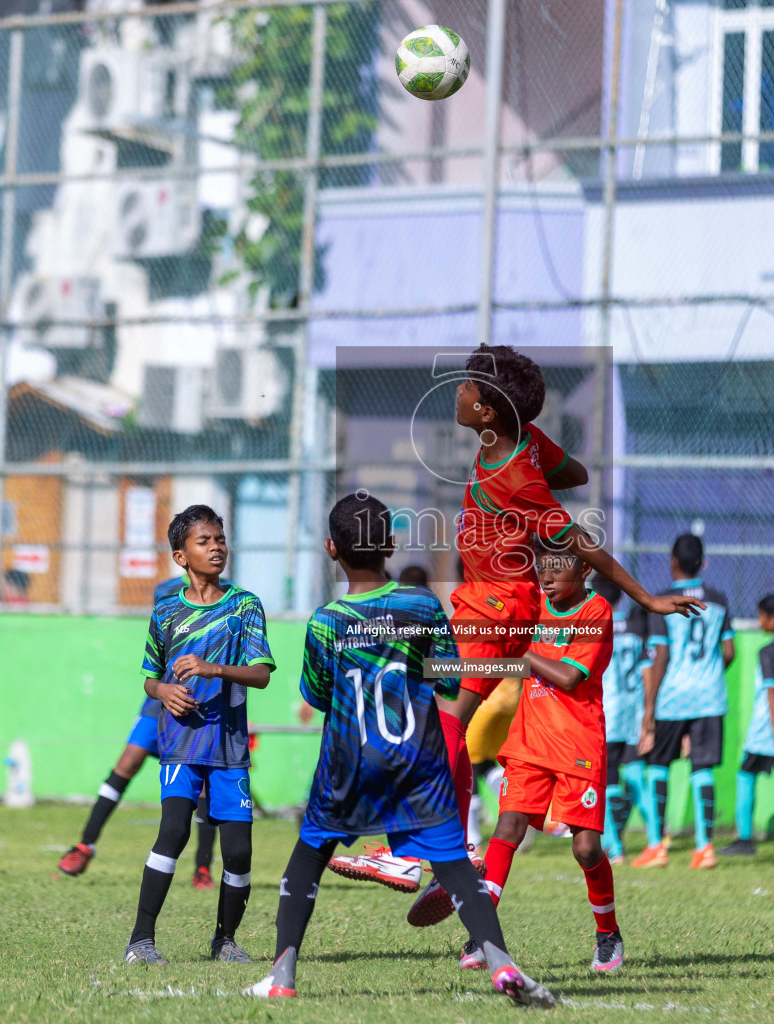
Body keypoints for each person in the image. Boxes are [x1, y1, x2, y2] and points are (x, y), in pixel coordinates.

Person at [352, 344, 700, 925]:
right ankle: (438, 852)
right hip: (501, 607)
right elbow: (579, 473)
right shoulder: (521, 447)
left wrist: (644, 597)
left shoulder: (513, 471)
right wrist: (538, 462)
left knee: (437, 721)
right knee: (438, 716)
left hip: (493, 607)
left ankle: (417, 855)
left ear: (488, 412)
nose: (458, 394)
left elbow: (579, 540)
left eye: (466, 388)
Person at [243, 493, 554, 1007]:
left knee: (307, 859)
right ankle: (500, 963)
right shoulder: (423, 605)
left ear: (330, 549)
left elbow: (318, 694)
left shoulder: (326, 620)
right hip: (417, 761)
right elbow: (447, 679)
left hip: (348, 762)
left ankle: (282, 974)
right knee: (453, 865)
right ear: (390, 544)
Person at [123, 506, 276, 966]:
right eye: (204, 541)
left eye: (220, 539)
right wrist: (163, 690)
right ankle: (140, 942)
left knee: (239, 850)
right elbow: (149, 678)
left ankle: (224, 940)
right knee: (173, 832)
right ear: (180, 555)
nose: (216, 547)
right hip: (181, 744)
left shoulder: (244, 605)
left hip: (229, 748)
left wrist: (213, 669)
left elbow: (261, 674)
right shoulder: (167, 611)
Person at [476, 538, 622, 973]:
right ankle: (480, 935)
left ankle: (607, 933)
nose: (547, 576)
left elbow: (569, 676)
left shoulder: (596, 612)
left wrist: (521, 647)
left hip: (578, 741)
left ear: (585, 571)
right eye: (543, 567)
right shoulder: (535, 603)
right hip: (529, 740)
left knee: (585, 848)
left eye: (559, 567)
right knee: (508, 825)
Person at [58, 574, 221, 889]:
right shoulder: (165, 607)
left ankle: (202, 868)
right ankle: (84, 846)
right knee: (128, 762)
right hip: (159, 702)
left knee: (201, 786)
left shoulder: (220, 604)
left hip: (198, 704)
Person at [635, 534, 735, 870]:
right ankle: (705, 847)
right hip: (710, 696)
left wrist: (649, 708)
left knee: (658, 765)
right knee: (702, 769)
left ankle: (656, 846)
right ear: (703, 562)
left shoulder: (662, 599)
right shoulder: (719, 599)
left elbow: (661, 654)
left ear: (672, 561)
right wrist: (707, 674)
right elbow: (729, 651)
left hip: (674, 696)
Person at [722, 593, 774, 857]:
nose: (759, 621)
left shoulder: (767, 651)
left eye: (761, 616)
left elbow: (772, 691)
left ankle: (745, 838)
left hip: (768, 729)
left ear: (772, 619)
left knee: (745, 775)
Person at [594, 577, 649, 864]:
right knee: (635, 775)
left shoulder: (596, 627)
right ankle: (655, 840)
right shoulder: (635, 630)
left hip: (608, 710)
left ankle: (614, 847)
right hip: (634, 710)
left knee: (602, 779)